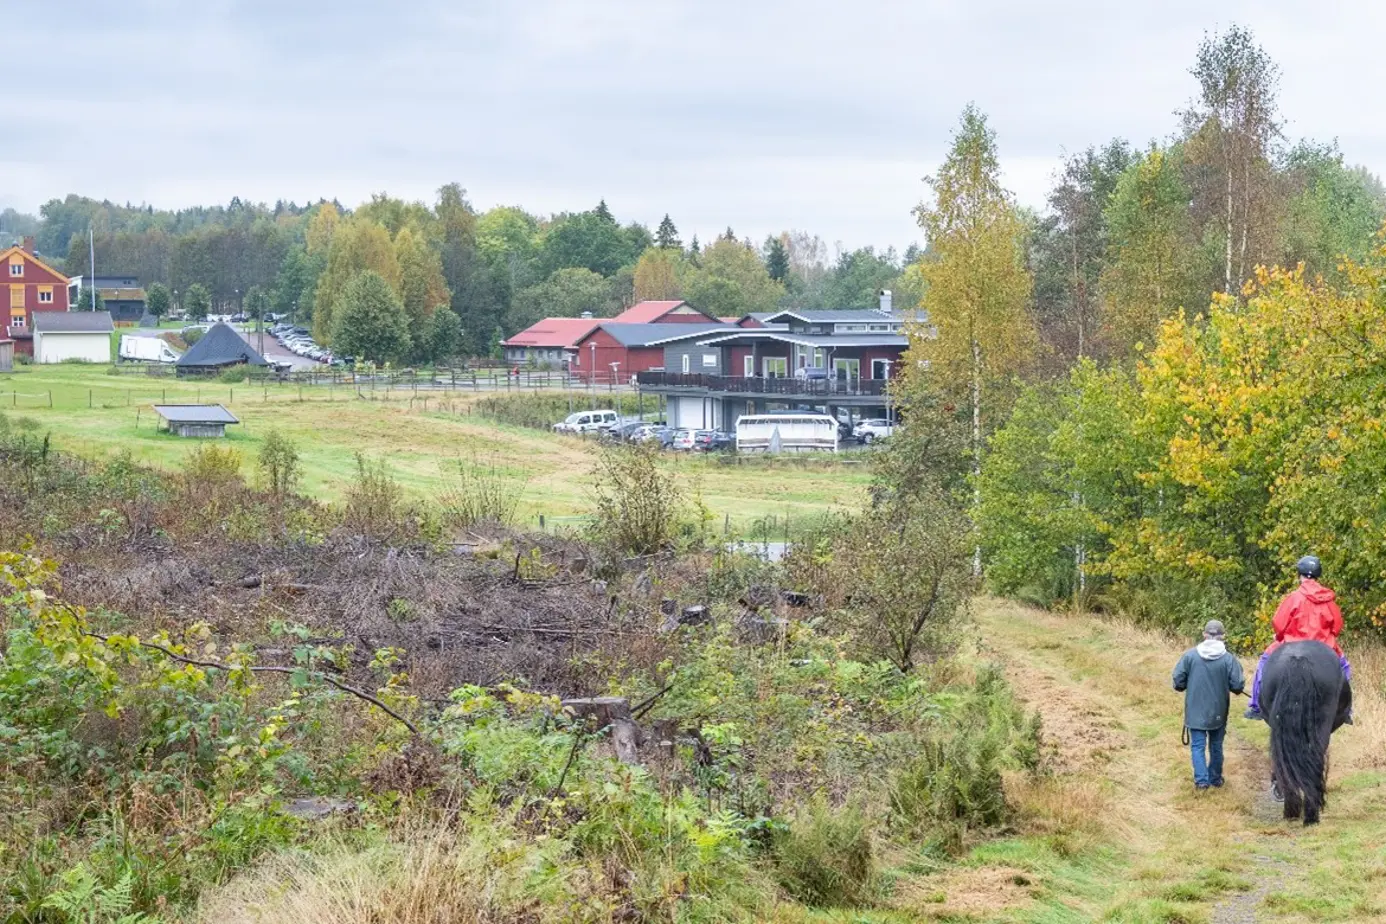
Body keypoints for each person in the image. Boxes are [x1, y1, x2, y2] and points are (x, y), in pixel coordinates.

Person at [1244, 555, 1351, 723]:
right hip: (1324, 645)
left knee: (1264, 663)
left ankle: (1257, 706)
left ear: (1299, 575)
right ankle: (1345, 709)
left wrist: (1279, 636)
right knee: (1344, 667)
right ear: (1318, 575)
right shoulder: (1329, 599)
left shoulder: (1294, 597)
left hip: (1292, 643)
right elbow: (1337, 627)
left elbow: (1278, 623)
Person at [1173, 619, 1245, 790]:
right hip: (1218, 712)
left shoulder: (1190, 656)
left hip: (1195, 711)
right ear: (1223, 637)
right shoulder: (1229, 659)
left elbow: (1178, 681)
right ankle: (1215, 779)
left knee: (1197, 746)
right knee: (1216, 745)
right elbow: (1237, 685)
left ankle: (1201, 782)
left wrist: (1184, 685)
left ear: (1204, 635)